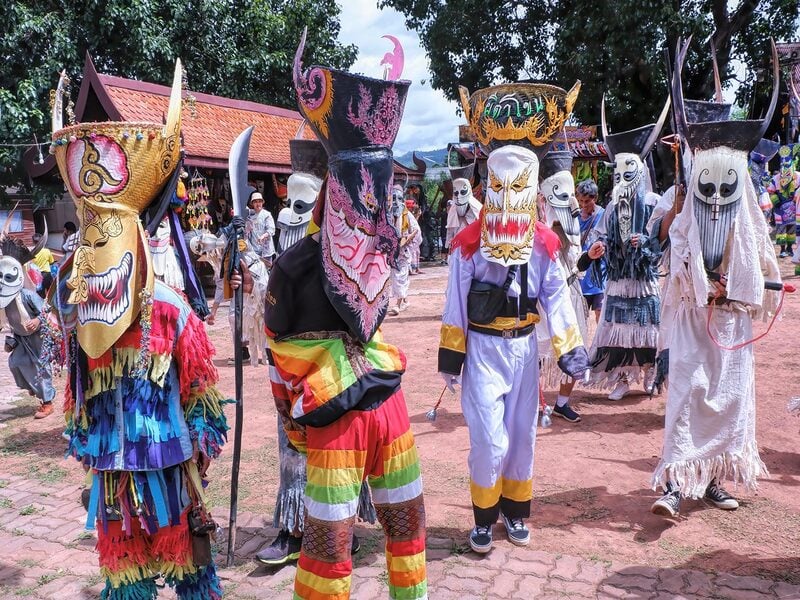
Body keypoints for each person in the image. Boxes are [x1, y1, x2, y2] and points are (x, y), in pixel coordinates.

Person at [48, 63, 229, 598]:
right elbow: (77, 393)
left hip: (169, 466)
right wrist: (85, 439)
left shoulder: (172, 310)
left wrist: (198, 448)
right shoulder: (80, 308)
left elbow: (201, 393)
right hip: (112, 475)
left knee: (192, 572)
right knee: (125, 581)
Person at [262, 36, 426, 599]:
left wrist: (291, 418)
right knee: (330, 547)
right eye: (361, 189)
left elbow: (278, 357)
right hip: (340, 421)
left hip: (384, 407)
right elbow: (277, 353)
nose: (372, 203)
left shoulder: (383, 245)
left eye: (379, 189)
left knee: (407, 531)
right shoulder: (293, 266)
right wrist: (292, 422)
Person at [441, 80, 588, 554]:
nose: (507, 196)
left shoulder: (545, 244)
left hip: (524, 351)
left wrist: (569, 347)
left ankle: (514, 513)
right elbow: (456, 304)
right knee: (488, 439)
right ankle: (482, 517)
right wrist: (452, 356)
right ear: (489, 186)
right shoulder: (467, 244)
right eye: (499, 186)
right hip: (483, 350)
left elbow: (556, 295)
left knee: (522, 437)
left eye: (516, 187)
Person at [651, 42, 781, 518]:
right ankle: (672, 483)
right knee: (685, 397)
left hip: (731, 326)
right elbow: (680, 256)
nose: (718, 194)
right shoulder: (686, 211)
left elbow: (760, 261)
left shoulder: (748, 217)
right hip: (693, 319)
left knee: (728, 402)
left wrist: (737, 288)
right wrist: (704, 285)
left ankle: (712, 483)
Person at [255, 139, 377, 567]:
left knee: (341, 451)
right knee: (297, 449)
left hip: (344, 370)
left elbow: (369, 319)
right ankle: (294, 531)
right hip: (297, 372)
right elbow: (275, 328)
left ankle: (340, 527)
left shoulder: (361, 257)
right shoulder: (290, 265)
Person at [582, 96, 670, 401]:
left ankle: (648, 374)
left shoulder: (653, 203)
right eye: (617, 175)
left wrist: (644, 243)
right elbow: (599, 235)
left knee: (648, 328)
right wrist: (597, 247)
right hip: (618, 282)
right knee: (617, 330)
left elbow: (663, 241)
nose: (621, 181)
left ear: (641, 174)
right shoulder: (609, 210)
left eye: (627, 175)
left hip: (644, 281)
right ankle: (621, 378)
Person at [536, 151, 589, 424]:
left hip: (571, 293)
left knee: (572, 349)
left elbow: (577, 263)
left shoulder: (573, 221)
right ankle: (533, 402)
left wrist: (589, 258)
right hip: (541, 299)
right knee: (536, 353)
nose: (570, 200)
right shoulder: (538, 221)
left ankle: (563, 402)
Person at [0, 223, 56, 418]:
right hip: (21, 338)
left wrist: (38, 321)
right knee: (15, 363)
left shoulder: (27, 295)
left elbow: (47, 309)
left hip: (38, 336)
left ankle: (47, 402)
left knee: (41, 368)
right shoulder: (3, 299)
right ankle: (32, 387)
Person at [576, 180, 606, 322]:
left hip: (600, 275)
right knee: (581, 317)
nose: (583, 205)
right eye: (580, 201)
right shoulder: (575, 217)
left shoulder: (604, 215)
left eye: (587, 201)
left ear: (595, 198)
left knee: (601, 316)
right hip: (581, 277)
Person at [388, 190, 422, 316]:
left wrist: (407, 242)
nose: (396, 201)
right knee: (396, 277)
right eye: (394, 198)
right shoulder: (389, 213)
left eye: (398, 198)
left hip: (404, 251)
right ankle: (405, 300)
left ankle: (397, 304)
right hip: (392, 252)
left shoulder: (407, 215)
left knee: (400, 276)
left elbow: (416, 232)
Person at [247, 191, 276, 268]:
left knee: (267, 271)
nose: (258, 204)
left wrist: (264, 236)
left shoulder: (267, 214)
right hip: (254, 250)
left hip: (266, 251)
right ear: (252, 204)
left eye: (260, 201)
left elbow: (271, 230)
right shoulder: (250, 216)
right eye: (255, 202)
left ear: (262, 203)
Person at [30, 233, 55, 298]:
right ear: (42, 241)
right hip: (47, 274)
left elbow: (31, 265)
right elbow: (52, 262)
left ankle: (41, 307)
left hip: (37, 277)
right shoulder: (47, 251)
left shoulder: (32, 253)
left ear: (33, 242)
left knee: (40, 295)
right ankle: (51, 306)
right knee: (51, 293)